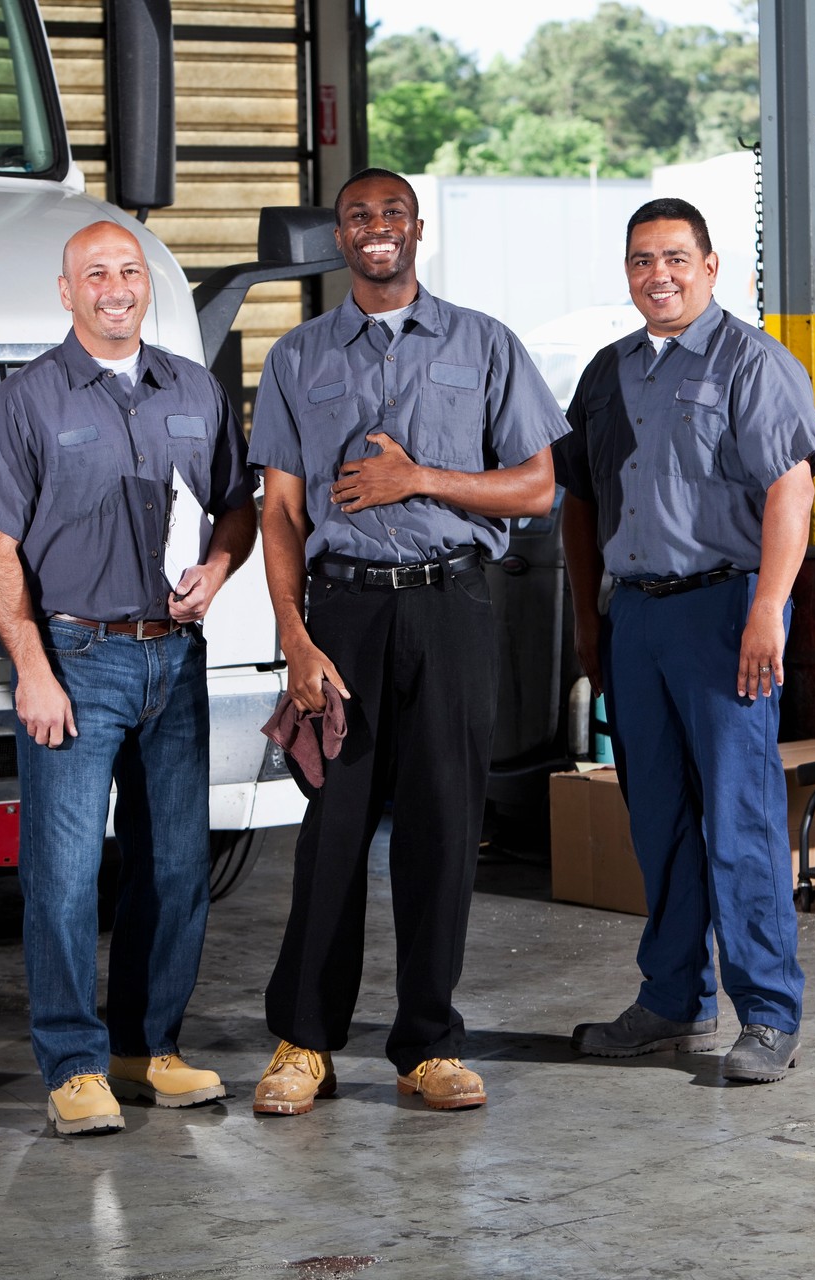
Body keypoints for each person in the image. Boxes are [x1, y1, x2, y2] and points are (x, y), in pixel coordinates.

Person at [247, 168, 567, 1114]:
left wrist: (420, 479)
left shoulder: (486, 344)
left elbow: (537, 488)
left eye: (391, 213)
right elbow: (280, 514)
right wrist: (296, 639)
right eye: (358, 217)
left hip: (451, 607)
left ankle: (428, 1042)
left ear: (417, 228)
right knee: (333, 829)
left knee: (441, 825)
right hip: (343, 614)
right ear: (339, 238)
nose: (376, 228)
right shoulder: (298, 357)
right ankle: (304, 1042)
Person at [0, 221, 256, 1136]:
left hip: (175, 655)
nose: (116, 287)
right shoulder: (27, 402)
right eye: (97, 274)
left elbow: (236, 507)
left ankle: (146, 1047)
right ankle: (74, 1062)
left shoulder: (196, 390)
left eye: (129, 271)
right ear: (67, 292)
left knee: (174, 867)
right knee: (63, 873)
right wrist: (32, 670)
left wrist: (218, 568)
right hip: (77, 661)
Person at [558, 198, 815, 1084]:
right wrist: (589, 620)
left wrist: (767, 611)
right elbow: (581, 501)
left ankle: (769, 1016)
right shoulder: (608, 373)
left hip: (726, 613)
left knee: (739, 819)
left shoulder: (754, 363)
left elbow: (792, 490)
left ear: (713, 268)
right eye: (642, 260)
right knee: (658, 820)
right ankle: (673, 1003)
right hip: (636, 616)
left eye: (676, 258)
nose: (658, 275)